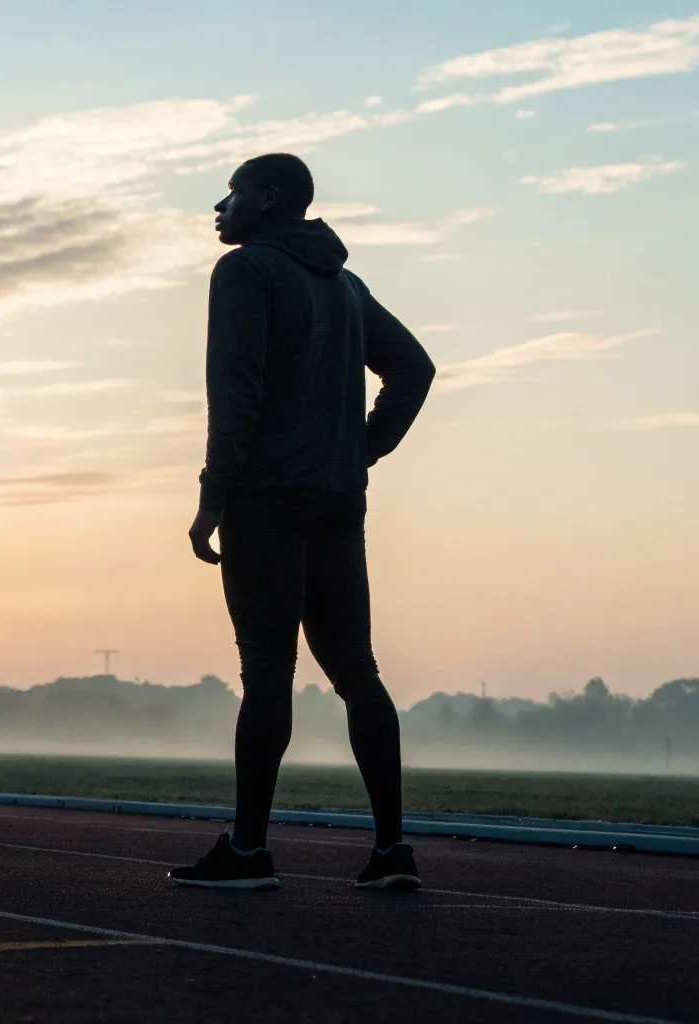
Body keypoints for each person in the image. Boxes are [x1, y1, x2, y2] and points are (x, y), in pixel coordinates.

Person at [171, 153, 435, 892]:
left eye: (231, 194)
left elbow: (236, 392)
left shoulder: (245, 272)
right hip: (338, 498)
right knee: (357, 672)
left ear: (268, 199)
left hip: (268, 499)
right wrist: (358, 449)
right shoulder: (345, 286)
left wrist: (212, 497)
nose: (219, 208)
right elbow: (415, 369)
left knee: (267, 675)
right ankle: (391, 851)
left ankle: (248, 852)